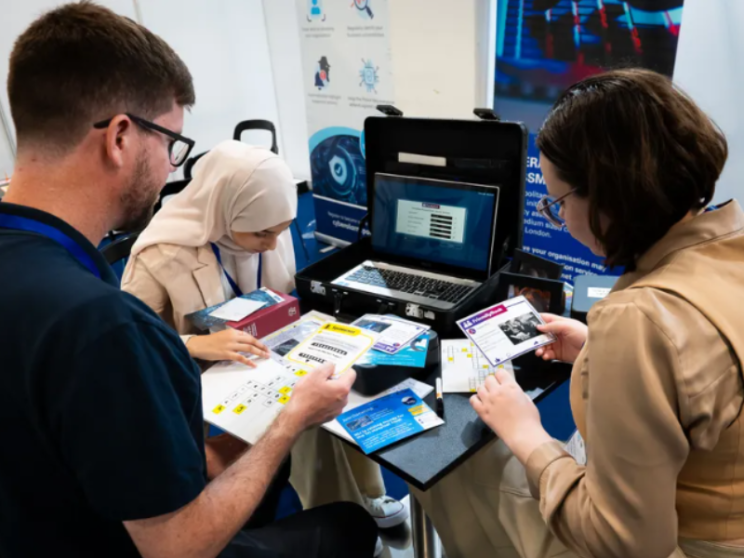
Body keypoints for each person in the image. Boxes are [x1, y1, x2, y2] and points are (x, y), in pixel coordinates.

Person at [0, 4, 377, 558]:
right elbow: (177, 546)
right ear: (121, 138)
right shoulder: (103, 325)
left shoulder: (44, 283)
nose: (174, 168)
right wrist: (292, 417)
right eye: (171, 143)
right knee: (349, 527)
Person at [411, 68, 744, 558]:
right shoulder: (728, 245)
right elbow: (707, 375)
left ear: (609, 193)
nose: (561, 220)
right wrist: (596, 350)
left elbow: (628, 544)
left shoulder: (637, 319)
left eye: (560, 201)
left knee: (447, 465)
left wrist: (526, 434)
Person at [121, 139, 408, 528]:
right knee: (301, 414)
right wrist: (194, 343)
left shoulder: (267, 222)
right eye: (261, 235)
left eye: (282, 231)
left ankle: (366, 495)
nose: (273, 244)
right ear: (226, 212)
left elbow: (284, 291)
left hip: (268, 353)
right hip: (203, 379)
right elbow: (128, 349)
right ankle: (336, 513)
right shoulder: (158, 253)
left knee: (338, 389)